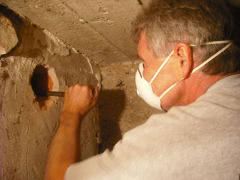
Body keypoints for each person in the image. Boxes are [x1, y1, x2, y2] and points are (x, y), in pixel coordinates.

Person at [45, 0, 240, 179]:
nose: (141, 73)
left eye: (145, 62)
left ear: (181, 58)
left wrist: (71, 113)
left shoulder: (181, 135)